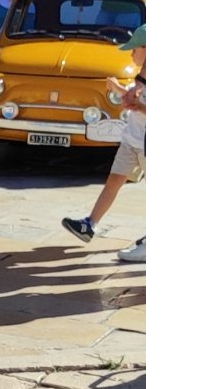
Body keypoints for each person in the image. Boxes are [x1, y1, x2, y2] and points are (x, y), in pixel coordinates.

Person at [62, 25, 146, 263]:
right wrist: (120, 90)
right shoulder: (141, 75)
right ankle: (90, 224)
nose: (131, 55)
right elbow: (133, 101)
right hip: (132, 140)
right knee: (114, 180)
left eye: (134, 50)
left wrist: (135, 104)